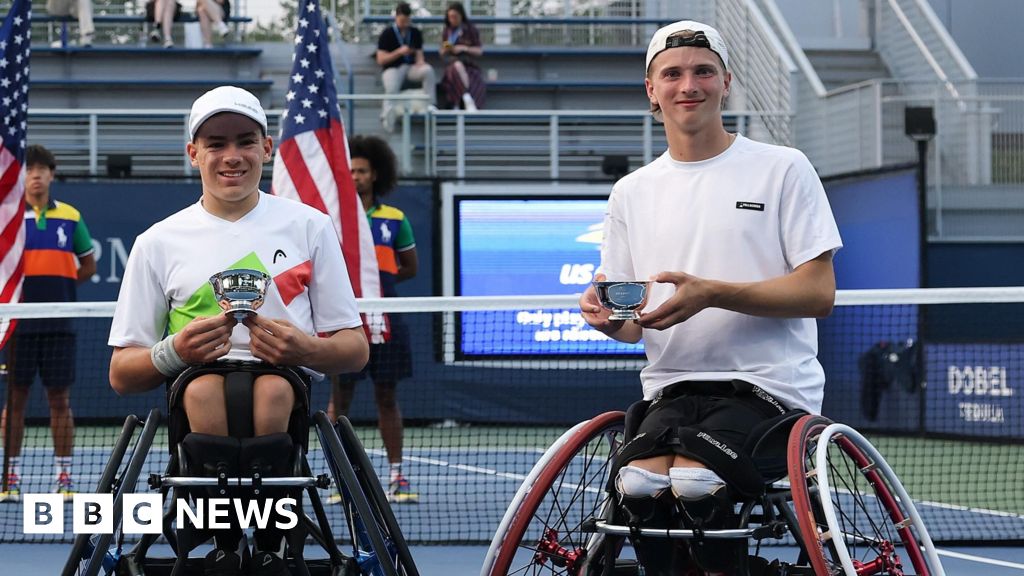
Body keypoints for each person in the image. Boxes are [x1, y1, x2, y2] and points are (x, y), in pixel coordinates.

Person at [578, 20, 842, 576]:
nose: (687, 85)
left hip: (769, 392)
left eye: (702, 71)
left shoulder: (783, 167)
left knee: (695, 480)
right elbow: (631, 323)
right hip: (671, 393)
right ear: (652, 89)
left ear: (726, 81)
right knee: (640, 482)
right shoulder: (632, 191)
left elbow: (819, 293)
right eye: (671, 74)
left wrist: (713, 294)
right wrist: (608, 320)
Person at [107, 86, 369, 576]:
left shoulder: (310, 227)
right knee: (206, 393)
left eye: (245, 141)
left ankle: (270, 545)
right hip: (194, 381)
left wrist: (307, 348)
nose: (232, 156)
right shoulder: (157, 242)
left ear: (266, 148)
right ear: (193, 154)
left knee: (271, 394)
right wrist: (176, 351)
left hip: (283, 382)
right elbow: (122, 373)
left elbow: (354, 349)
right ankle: (221, 545)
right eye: (215, 144)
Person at [0, 145, 97, 503]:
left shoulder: (70, 216)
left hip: (58, 322)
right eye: (30, 170)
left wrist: (60, 286)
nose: (36, 176)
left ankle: (64, 476)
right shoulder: (7, 216)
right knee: (16, 399)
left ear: (52, 175)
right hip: (17, 324)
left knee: (60, 399)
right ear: (21, 176)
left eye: (43, 170)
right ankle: (9, 476)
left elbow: (88, 265)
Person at [326, 135, 419, 503]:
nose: (355, 176)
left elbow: (409, 267)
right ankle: (336, 479)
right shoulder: (331, 220)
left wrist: (376, 280)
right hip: (344, 318)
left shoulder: (395, 219)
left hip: (388, 318)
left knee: (387, 396)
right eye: (349, 170)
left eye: (362, 171)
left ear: (374, 175)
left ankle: (397, 476)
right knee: (340, 398)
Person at [376, 2, 435, 132]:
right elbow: (381, 60)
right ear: (396, 17)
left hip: (410, 68)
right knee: (391, 86)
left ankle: (429, 105)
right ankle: (387, 114)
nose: (404, 23)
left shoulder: (414, 32)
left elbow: (419, 54)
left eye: (407, 20)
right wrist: (399, 52)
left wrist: (421, 63)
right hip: (392, 68)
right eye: (402, 20)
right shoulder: (387, 33)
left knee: (428, 71)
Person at [439, 1, 485, 111]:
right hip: (451, 63)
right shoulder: (447, 31)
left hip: (468, 65)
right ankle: (466, 97)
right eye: (450, 17)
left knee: (472, 78)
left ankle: (458, 103)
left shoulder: (471, 29)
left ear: (461, 15)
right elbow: (441, 53)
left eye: (455, 17)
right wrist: (446, 49)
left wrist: (464, 48)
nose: (452, 19)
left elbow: (479, 51)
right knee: (454, 69)